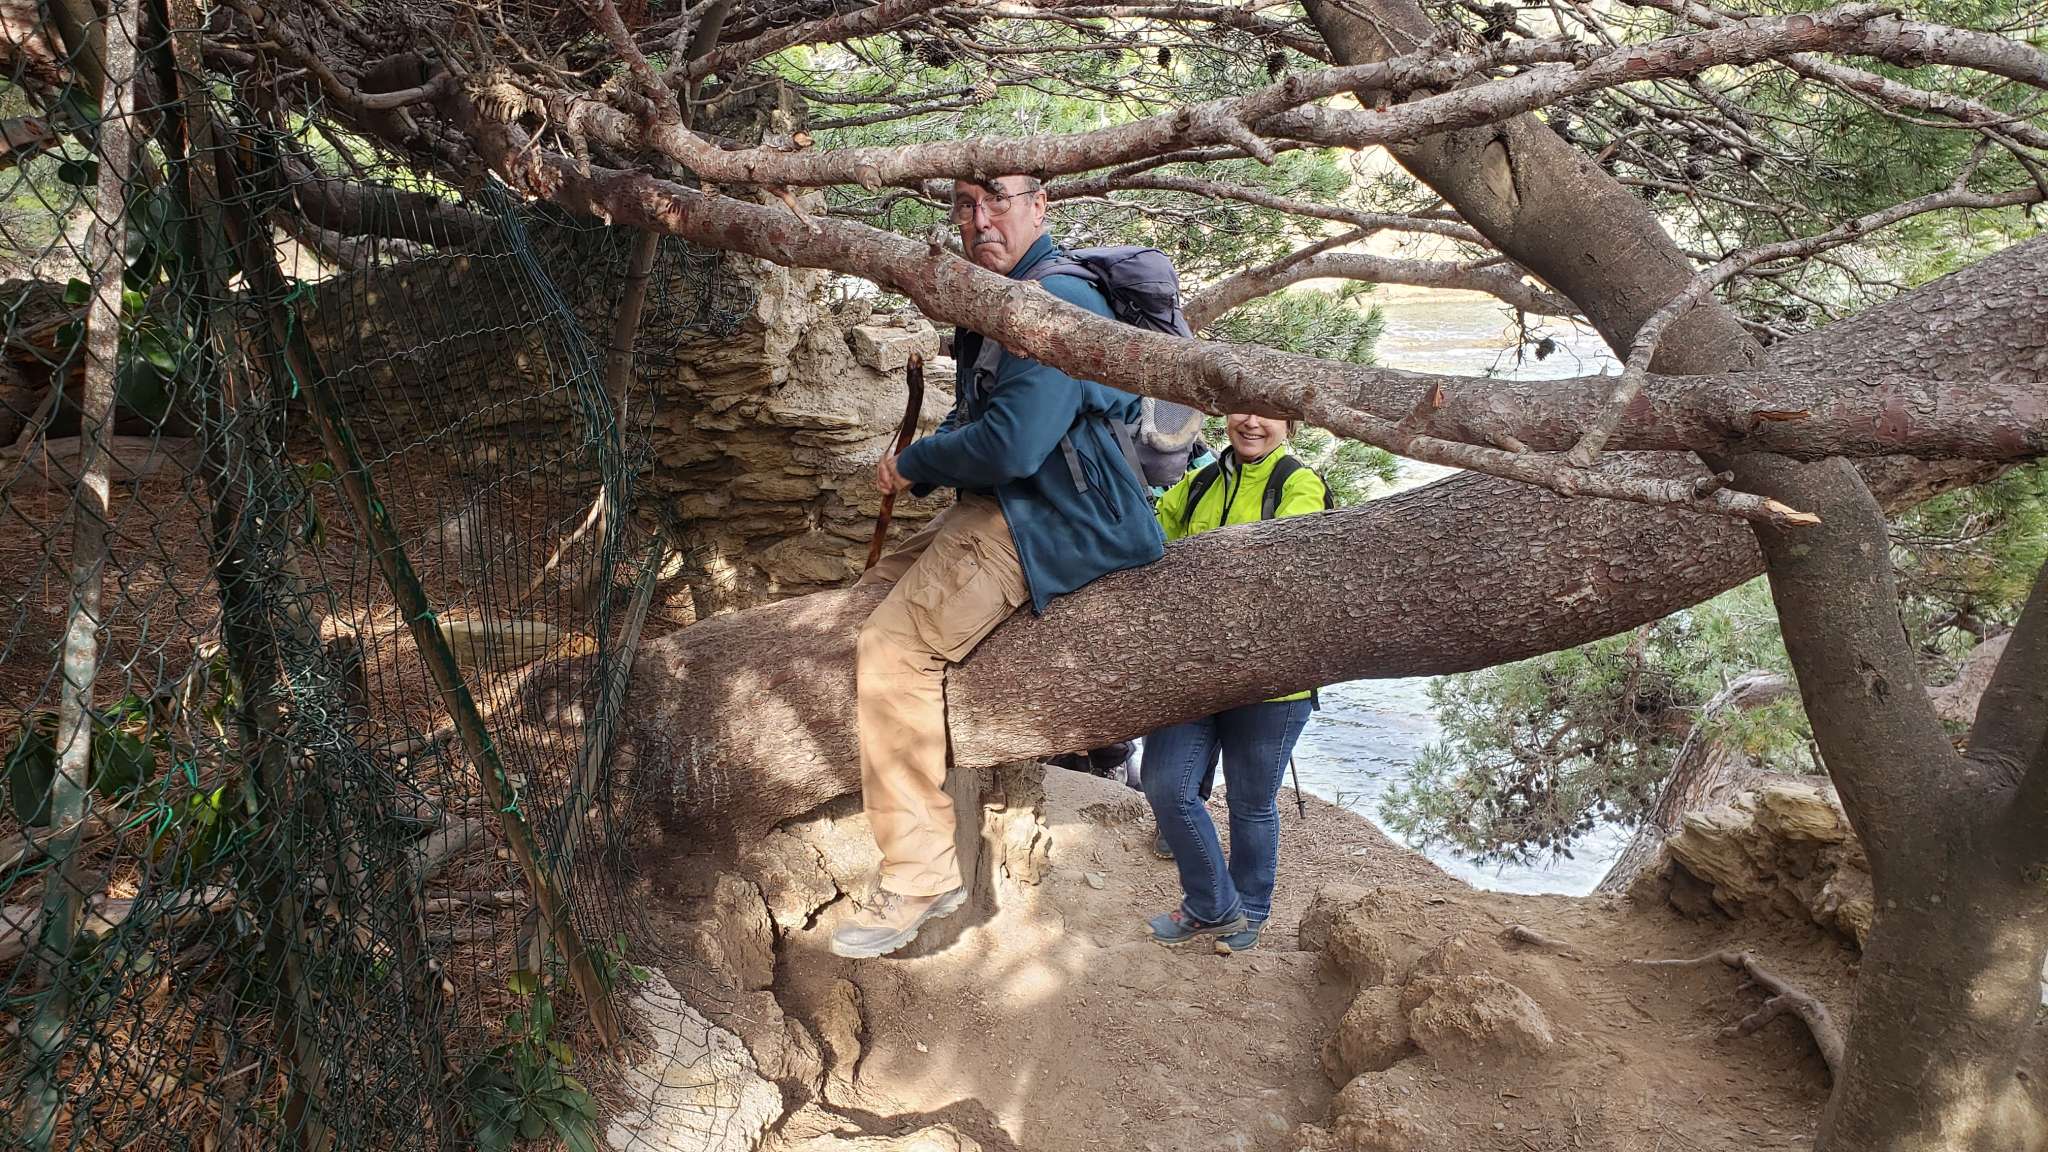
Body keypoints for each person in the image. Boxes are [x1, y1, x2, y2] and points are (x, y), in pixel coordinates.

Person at [830, 173, 1166, 960]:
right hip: (1006, 506)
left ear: (1040, 207)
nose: (981, 220)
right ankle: (902, 788)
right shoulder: (999, 298)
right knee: (862, 603)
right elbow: (978, 414)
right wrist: (928, 460)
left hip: (1049, 520)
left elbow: (1015, 445)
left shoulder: (1054, 304)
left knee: (894, 650)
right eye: (966, 204)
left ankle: (919, 874)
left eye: (1000, 201)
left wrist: (919, 463)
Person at [1140, 412, 1329, 952]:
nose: (1250, 422)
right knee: (1165, 784)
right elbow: (1150, 539)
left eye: (1266, 412)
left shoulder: (1299, 485)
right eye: (1240, 407)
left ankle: (1250, 910)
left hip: (1273, 685)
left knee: (1250, 804)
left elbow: (1286, 565)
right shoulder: (1201, 481)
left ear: (1289, 423)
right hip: (1196, 671)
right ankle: (1214, 904)